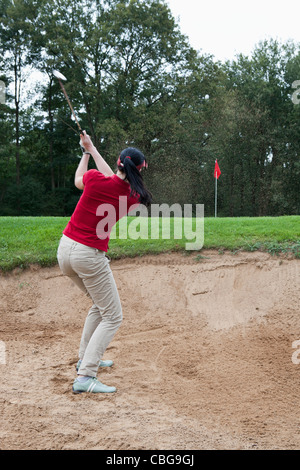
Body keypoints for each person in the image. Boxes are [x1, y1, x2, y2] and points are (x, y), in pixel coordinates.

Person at [57, 131, 152, 394]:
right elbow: (115, 180)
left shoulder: (94, 180)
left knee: (100, 308)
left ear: (119, 163)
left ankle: (86, 359)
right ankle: (86, 376)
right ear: (140, 169)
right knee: (113, 315)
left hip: (64, 251)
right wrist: (91, 148)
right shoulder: (133, 197)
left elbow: (79, 179)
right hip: (88, 256)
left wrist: (86, 152)